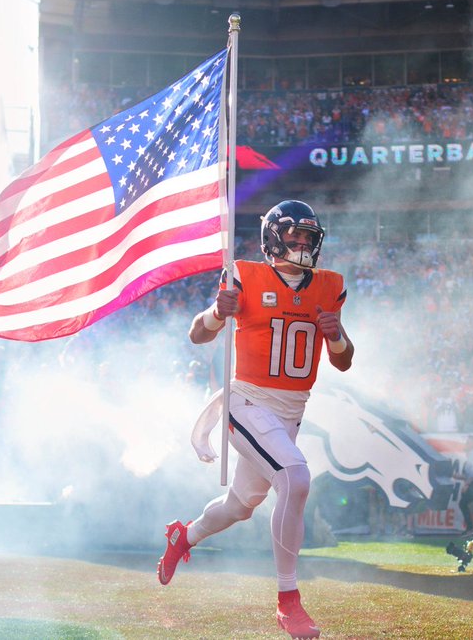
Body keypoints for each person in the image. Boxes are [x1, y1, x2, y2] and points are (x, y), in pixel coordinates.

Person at [158, 200, 353, 640]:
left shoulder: (330, 286)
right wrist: (217, 312)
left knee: (240, 506)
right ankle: (288, 601)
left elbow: (343, 361)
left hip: (290, 412)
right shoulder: (244, 275)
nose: (302, 243)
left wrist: (337, 337)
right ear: (273, 238)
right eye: (294, 235)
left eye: (308, 236)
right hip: (246, 401)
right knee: (295, 478)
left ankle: (183, 537)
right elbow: (197, 334)